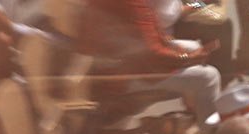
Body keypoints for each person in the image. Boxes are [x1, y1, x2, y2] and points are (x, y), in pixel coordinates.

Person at [80, 0, 222, 121]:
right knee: (210, 76)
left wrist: (201, 4)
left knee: (194, 47)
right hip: (122, 75)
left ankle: (192, 113)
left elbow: (153, 32)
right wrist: (189, 58)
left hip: (118, 61)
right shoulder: (134, 3)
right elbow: (154, 52)